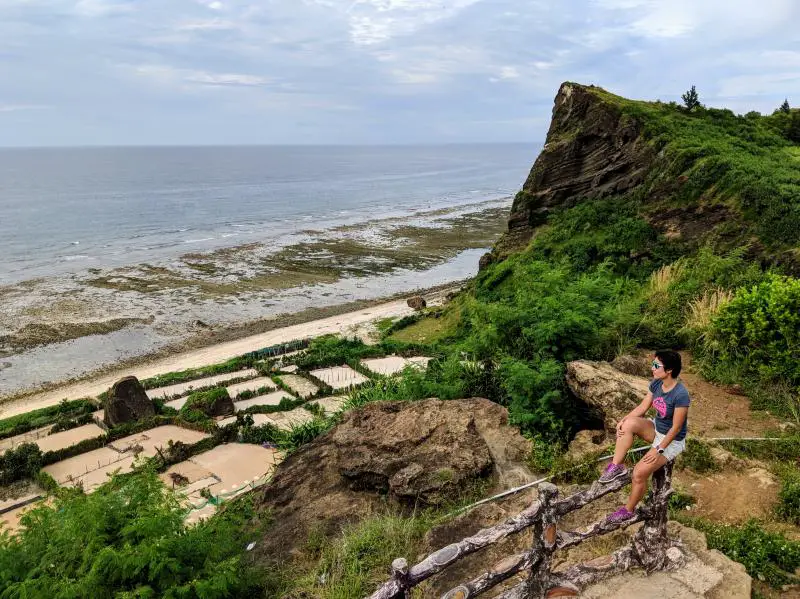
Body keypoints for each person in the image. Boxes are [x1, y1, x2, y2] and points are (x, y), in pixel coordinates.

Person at [598, 350, 690, 523]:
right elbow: (643, 407)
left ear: (669, 370)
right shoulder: (656, 383)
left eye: (656, 365)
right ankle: (617, 466)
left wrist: (659, 450)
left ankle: (628, 510)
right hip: (656, 428)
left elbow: (676, 428)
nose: (652, 368)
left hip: (671, 440)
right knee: (628, 425)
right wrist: (623, 420)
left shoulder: (680, 394)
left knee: (639, 473)